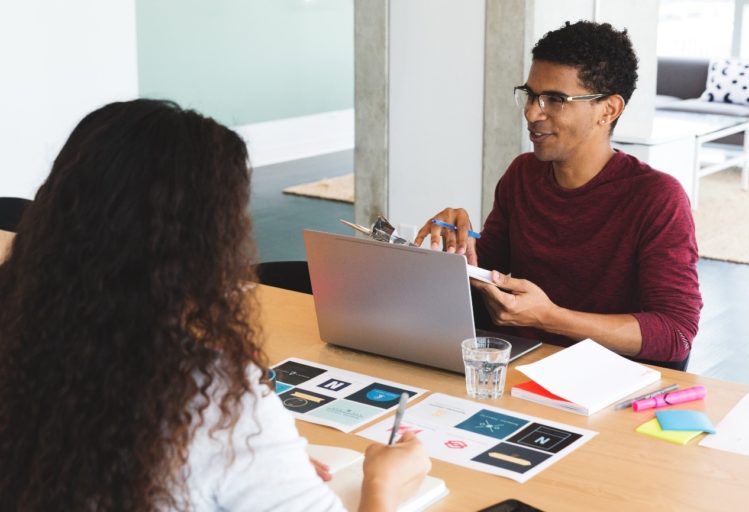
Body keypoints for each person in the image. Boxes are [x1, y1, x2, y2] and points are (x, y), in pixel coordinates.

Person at [0, 99, 429, 511]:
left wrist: (264, 466)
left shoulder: (25, 333)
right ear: (202, 247)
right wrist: (383, 481)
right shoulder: (214, 398)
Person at [414, 21, 702, 364]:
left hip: (603, 387)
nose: (532, 112)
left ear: (608, 109)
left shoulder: (657, 198)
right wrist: (459, 249)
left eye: (554, 99)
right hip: (515, 369)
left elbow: (676, 332)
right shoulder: (522, 174)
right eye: (531, 94)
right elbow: (491, 275)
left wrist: (549, 317)